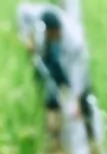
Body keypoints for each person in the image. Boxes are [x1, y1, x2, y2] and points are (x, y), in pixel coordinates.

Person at [16, 3, 96, 140]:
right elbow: (21, 10)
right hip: (51, 56)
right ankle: (53, 137)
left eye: (54, 34)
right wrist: (27, 36)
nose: (52, 36)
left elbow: (77, 70)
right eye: (49, 34)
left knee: (83, 94)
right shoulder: (38, 14)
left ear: (59, 30)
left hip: (76, 60)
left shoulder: (74, 39)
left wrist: (76, 97)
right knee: (50, 90)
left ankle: (91, 135)